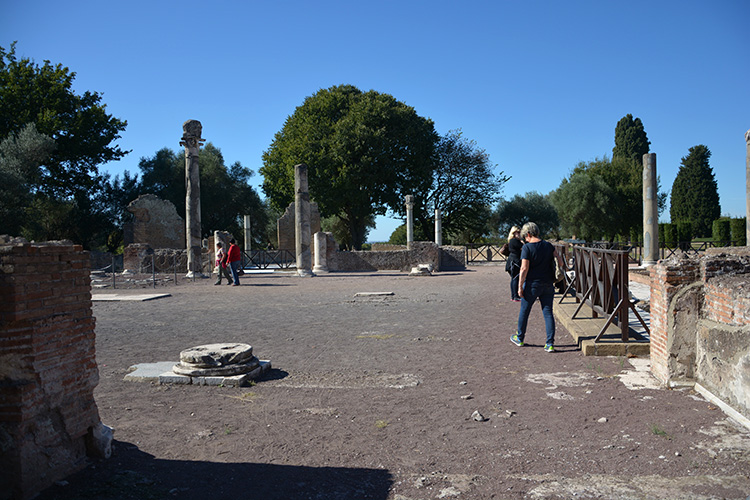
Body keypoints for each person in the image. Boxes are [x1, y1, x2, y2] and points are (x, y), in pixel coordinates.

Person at [510, 222, 564, 352]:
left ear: (528, 234)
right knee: (548, 313)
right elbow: (560, 262)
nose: (525, 240)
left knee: (525, 311)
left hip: (532, 285)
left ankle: (520, 338)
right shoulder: (549, 246)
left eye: (525, 237)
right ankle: (550, 344)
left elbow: (523, 268)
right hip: (548, 284)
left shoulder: (527, 248)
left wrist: (519, 287)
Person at [505, 226, 523, 301]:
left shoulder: (512, 241)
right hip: (514, 261)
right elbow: (523, 246)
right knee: (515, 278)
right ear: (514, 233)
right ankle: (515, 296)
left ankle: (514, 296)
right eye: (518, 232)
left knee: (514, 279)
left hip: (512, 260)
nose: (519, 234)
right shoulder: (514, 241)